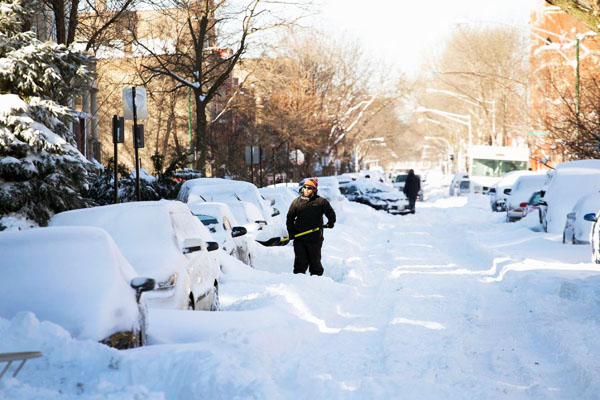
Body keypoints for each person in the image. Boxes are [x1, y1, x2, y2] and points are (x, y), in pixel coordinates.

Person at [286, 177, 336, 276]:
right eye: (305, 187)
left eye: (309, 188)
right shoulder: (297, 202)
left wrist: (331, 222)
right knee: (300, 263)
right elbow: (290, 217)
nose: (306, 190)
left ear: (314, 190)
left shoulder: (320, 202)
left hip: (315, 238)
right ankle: (299, 282)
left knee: (315, 263)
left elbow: (330, 212)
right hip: (299, 238)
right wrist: (291, 232)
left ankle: (316, 284)